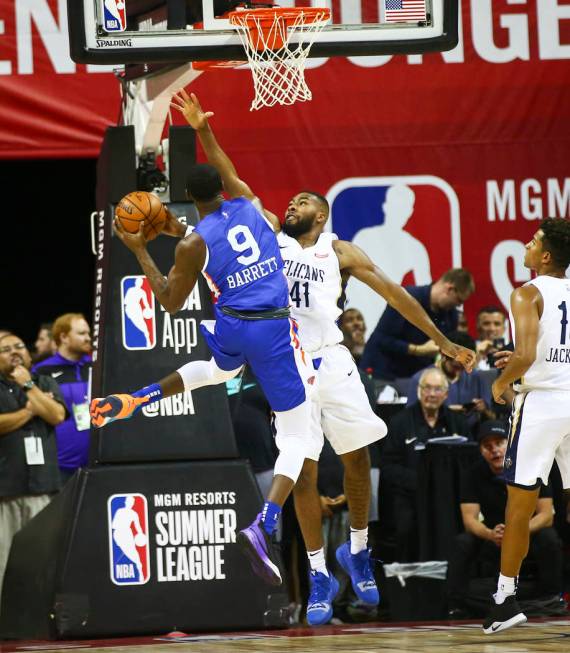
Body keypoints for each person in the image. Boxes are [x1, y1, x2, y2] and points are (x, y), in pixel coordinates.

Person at [90, 92, 476, 623]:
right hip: (283, 359)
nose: (292, 205)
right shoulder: (262, 225)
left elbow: (397, 296)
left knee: (360, 458)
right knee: (306, 472)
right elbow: (220, 202)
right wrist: (202, 141)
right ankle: (319, 573)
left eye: (303, 202)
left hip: (331, 359)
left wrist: (446, 340)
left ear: (321, 213)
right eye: (290, 201)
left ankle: (357, 552)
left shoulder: (339, 251)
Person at [91, 89, 316, 590]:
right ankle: (265, 523)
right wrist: (203, 127)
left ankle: (138, 397)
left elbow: (170, 301)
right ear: (223, 188)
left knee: (219, 371)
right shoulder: (256, 208)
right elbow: (225, 166)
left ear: (188, 198)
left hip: (233, 326)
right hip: (274, 326)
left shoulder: (193, 242)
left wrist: (139, 249)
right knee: (301, 436)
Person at [483, 218, 570, 634]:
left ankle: (504, 600)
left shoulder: (527, 292)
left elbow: (527, 353)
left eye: (534, 241)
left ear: (546, 256)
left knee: (518, 506)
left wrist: (502, 383)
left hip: (542, 405)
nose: (527, 244)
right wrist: (518, 361)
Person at [447, 420, 561, 619]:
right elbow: (469, 519)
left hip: (527, 533)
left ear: (510, 443)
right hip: (494, 536)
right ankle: (456, 604)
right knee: (462, 542)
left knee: (549, 538)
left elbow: (546, 516)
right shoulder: (473, 474)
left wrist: (517, 530)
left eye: (499, 443)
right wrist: (490, 534)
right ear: (481, 450)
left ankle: (550, 599)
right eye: (488, 446)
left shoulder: (532, 467)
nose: (495, 450)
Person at [0, 332, 66, 603]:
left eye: (19, 346)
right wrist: (30, 411)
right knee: (2, 562)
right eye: (5, 349)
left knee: (41, 559)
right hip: (5, 490)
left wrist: (29, 386)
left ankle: (37, 620)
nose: (15, 352)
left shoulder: (44, 381)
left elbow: (57, 415)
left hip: (42, 487)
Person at [379, 367, 469, 561]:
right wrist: (420, 481)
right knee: (405, 529)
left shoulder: (458, 423)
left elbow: (469, 463)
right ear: (419, 390)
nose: (431, 394)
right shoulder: (399, 422)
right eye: (427, 388)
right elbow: (388, 467)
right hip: (411, 496)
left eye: (437, 389)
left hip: (448, 497)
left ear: (446, 394)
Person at [346, 184, 432, 336]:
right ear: (386, 207)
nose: (399, 213)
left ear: (409, 211)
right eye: (395, 207)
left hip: (389, 317)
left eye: (404, 208)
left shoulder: (415, 248)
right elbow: (349, 282)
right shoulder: (364, 237)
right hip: (359, 312)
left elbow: (425, 297)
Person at [361, 268, 475, 380]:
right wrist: (418, 350)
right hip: (382, 372)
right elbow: (381, 339)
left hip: (415, 377)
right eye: (459, 300)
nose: (458, 305)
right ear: (450, 289)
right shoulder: (406, 298)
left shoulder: (451, 315)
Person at [33, 313, 92, 483]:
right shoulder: (42, 371)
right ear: (64, 337)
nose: (88, 338)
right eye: (81, 334)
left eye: (88, 333)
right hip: (60, 466)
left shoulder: (95, 365)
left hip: (97, 462)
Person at [406, 330, 495, 434]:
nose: (459, 371)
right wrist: (444, 411)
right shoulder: (421, 379)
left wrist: (483, 409)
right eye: (455, 366)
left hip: (470, 434)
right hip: (432, 434)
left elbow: (492, 417)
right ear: (443, 355)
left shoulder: (477, 377)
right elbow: (410, 418)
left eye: (464, 366)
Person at [475, 306, 509, 371]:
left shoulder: (515, 350)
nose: (492, 329)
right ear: (478, 326)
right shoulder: (467, 349)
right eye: (486, 324)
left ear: (504, 328)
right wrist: (476, 356)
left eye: (497, 324)